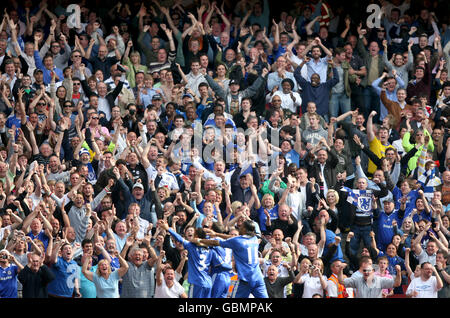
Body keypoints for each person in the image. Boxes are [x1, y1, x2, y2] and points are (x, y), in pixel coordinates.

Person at [197, 220, 268, 298]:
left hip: (245, 280)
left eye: (241, 227)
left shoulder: (237, 241)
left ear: (244, 229)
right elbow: (233, 238)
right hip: (258, 278)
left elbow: (215, 242)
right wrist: (216, 234)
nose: (239, 228)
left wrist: (199, 241)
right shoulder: (254, 238)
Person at [159, 219, 213, 298]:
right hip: (208, 283)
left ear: (196, 237)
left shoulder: (191, 247)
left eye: (193, 233)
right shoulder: (209, 250)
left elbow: (180, 239)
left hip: (197, 283)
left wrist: (167, 229)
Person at [338, 261, 402, 298]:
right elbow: (341, 281)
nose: (366, 272)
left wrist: (398, 272)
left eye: (369, 270)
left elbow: (397, 283)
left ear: (373, 271)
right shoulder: (357, 280)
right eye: (364, 270)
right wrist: (340, 269)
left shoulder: (380, 280)